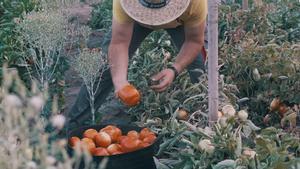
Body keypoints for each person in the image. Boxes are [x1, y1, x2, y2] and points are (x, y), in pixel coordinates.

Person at [66, 0, 208, 131]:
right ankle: (74, 125)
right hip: (136, 20)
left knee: (200, 72)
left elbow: (194, 41)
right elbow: (119, 42)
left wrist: (174, 69)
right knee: (105, 68)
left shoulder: (194, 3)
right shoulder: (126, 3)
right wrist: (120, 81)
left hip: (179, 21)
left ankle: (209, 120)